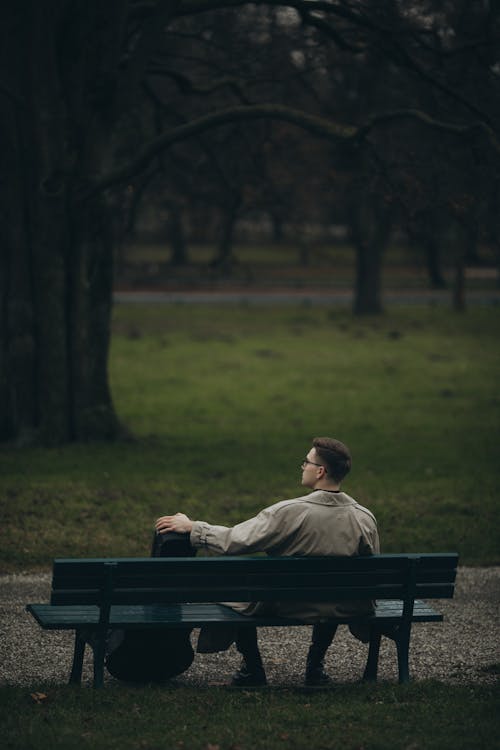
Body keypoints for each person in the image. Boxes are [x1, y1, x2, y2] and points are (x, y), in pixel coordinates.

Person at [155, 436, 379, 687]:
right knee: (332, 589)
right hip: (343, 605)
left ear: (320, 471)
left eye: (306, 462)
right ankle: (315, 668)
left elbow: (235, 541)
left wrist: (193, 527)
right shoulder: (364, 518)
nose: (303, 466)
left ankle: (253, 669)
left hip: (287, 604)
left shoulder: (289, 513)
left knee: (241, 594)